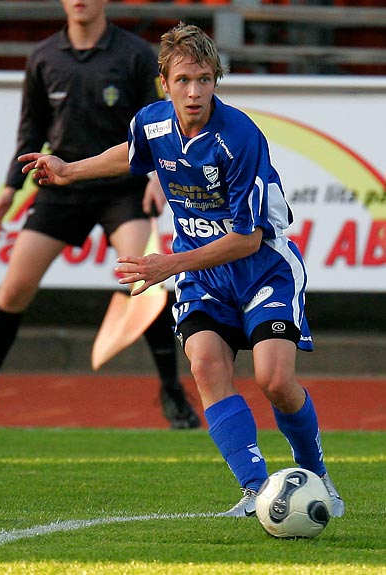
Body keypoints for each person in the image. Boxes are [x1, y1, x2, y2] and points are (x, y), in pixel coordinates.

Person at [19, 22, 345, 518]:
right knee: (206, 364)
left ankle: (317, 476)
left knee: (275, 380)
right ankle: (258, 491)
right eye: (184, 80)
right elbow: (131, 154)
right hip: (202, 273)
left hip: (262, 268)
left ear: (217, 80)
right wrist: (69, 169)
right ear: (165, 83)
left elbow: (247, 238)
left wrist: (166, 263)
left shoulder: (239, 138)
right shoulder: (152, 123)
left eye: (205, 80)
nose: (195, 92)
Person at [0, 0, 200, 430]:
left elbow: (164, 121)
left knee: (146, 277)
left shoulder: (135, 54)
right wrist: (11, 187)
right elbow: (31, 131)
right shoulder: (44, 57)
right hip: (61, 186)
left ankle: (172, 390)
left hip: (123, 186)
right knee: (12, 292)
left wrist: (159, 174)